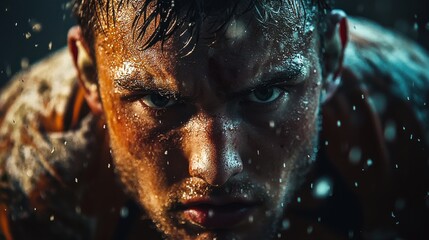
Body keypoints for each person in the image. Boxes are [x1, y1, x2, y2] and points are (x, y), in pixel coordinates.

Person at [0, 0, 428, 239]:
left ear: (331, 60)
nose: (216, 169)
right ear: (90, 76)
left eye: (265, 93)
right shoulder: (24, 169)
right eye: (158, 100)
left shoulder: (415, 133)